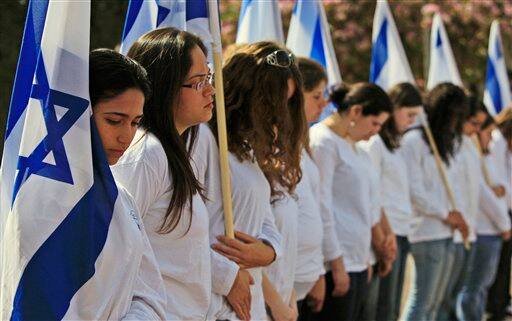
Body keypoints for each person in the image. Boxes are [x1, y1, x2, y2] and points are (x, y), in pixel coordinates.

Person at [111, 28, 219, 320]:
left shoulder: (171, 151)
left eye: (208, 78)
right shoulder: (145, 153)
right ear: (166, 85)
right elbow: (117, 252)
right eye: (198, 82)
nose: (210, 90)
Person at [86, 48, 166, 320]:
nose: (126, 137)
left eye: (135, 123)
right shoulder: (34, 198)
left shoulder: (123, 199)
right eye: (114, 120)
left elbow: (149, 293)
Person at [310, 82, 392, 321]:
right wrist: (336, 263)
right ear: (356, 111)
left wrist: (365, 257)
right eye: (375, 123)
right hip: (335, 263)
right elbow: (321, 205)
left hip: (356, 261)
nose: (377, 131)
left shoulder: (353, 146)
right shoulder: (323, 141)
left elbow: (364, 206)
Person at [401, 83, 469, 321]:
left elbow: (452, 188)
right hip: (425, 232)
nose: (456, 121)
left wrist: (458, 216)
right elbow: (414, 190)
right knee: (422, 302)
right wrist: (444, 213)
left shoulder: (444, 144)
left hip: (447, 233)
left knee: (435, 305)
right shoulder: (413, 141)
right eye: (453, 114)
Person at [360, 82, 423, 321]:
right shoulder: (375, 144)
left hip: (402, 230)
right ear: (394, 109)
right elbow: (373, 193)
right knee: (382, 308)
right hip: (387, 233)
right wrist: (383, 234)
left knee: (394, 305)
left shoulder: (395, 146)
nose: (411, 121)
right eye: (408, 115)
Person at [458, 108, 511, 321]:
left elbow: (500, 188)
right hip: (484, 228)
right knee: (473, 288)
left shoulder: (485, 153)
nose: (490, 137)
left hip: (493, 227)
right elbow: (486, 193)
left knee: (482, 286)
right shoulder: (475, 152)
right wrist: (504, 222)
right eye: (487, 132)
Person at [294, 57, 332, 321]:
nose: (324, 104)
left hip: (306, 276)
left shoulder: (302, 144)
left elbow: (314, 210)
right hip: (285, 282)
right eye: (316, 95)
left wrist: (318, 271)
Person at [487, 107, 512, 321]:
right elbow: (498, 185)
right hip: (499, 213)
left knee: (504, 264)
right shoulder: (496, 143)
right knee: (499, 264)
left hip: (506, 210)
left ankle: (502, 301)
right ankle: (495, 305)